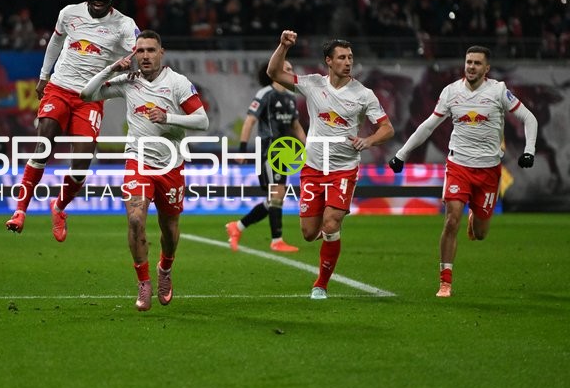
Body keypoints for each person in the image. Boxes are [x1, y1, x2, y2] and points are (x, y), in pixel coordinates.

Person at [388, 45, 538, 297]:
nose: (471, 67)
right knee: (451, 219)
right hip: (458, 166)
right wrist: (401, 154)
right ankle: (445, 281)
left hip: (489, 171)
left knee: (480, 233)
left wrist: (529, 150)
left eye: (477, 63)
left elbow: (529, 118)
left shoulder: (499, 91)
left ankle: (475, 219)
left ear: (486, 68)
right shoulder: (451, 92)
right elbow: (428, 126)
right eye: (469, 62)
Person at [80, 30, 209, 311]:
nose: (146, 56)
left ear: (161, 52)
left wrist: (168, 117)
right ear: (133, 54)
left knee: (169, 228)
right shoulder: (129, 82)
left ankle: (165, 269)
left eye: (151, 50)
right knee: (136, 219)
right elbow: (87, 94)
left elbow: (203, 121)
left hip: (171, 165)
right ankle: (144, 281)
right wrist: (112, 68)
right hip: (137, 161)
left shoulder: (178, 83)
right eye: (140, 51)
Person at [5, 0, 139, 239]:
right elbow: (55, 41)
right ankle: (20, 211)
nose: (98, 4)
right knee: (43, 145)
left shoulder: (124, 24)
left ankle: (59, 206)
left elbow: (139, 46)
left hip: (90, 97)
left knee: (81, 163)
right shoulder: (69, 13)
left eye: (104, 0)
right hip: (59, 88)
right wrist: (44, 76)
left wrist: (130, 63)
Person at [267, 31, 395, 299]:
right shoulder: (313, 84)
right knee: (308, 232)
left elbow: (387, 128)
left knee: (331, 222)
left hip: (344, 170)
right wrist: (283, 46)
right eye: (341, 57)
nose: (347, 62)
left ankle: (321, 284)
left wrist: (369, 141)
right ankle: (326, 241)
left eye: (350, 57)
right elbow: (274, 73)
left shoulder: (363, 94)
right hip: (313, 169)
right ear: (329, 61)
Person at [226, 61, 307, 253]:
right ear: (276, 73)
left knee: (274, 198)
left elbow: (295, 126)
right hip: (268, 151)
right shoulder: (265, 94)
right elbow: (249, 121)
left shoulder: (290, 97)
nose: (291, 72)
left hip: (284, 152)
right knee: (277, 195)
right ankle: (276, 240)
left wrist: (308, 148)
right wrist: (243, 149)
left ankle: (237, 227)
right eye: (287, 69)